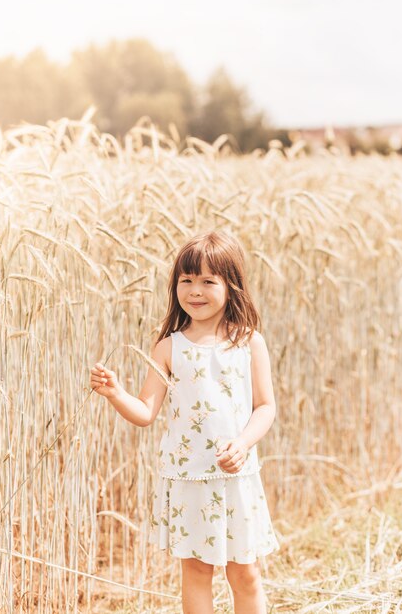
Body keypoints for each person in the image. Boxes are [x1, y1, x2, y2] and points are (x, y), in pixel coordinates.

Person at [90, 230, 280, 614]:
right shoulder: (169, 347)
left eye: (209, 281)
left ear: (232, 286)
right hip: (188, 476)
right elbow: (145, 412)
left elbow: (265, 407)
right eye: (187, 280)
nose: (195, 290)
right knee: (196, 571)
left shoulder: (248, 342)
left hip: (236, 476)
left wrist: (243, 444)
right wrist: (116, 394)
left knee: (245, 573)